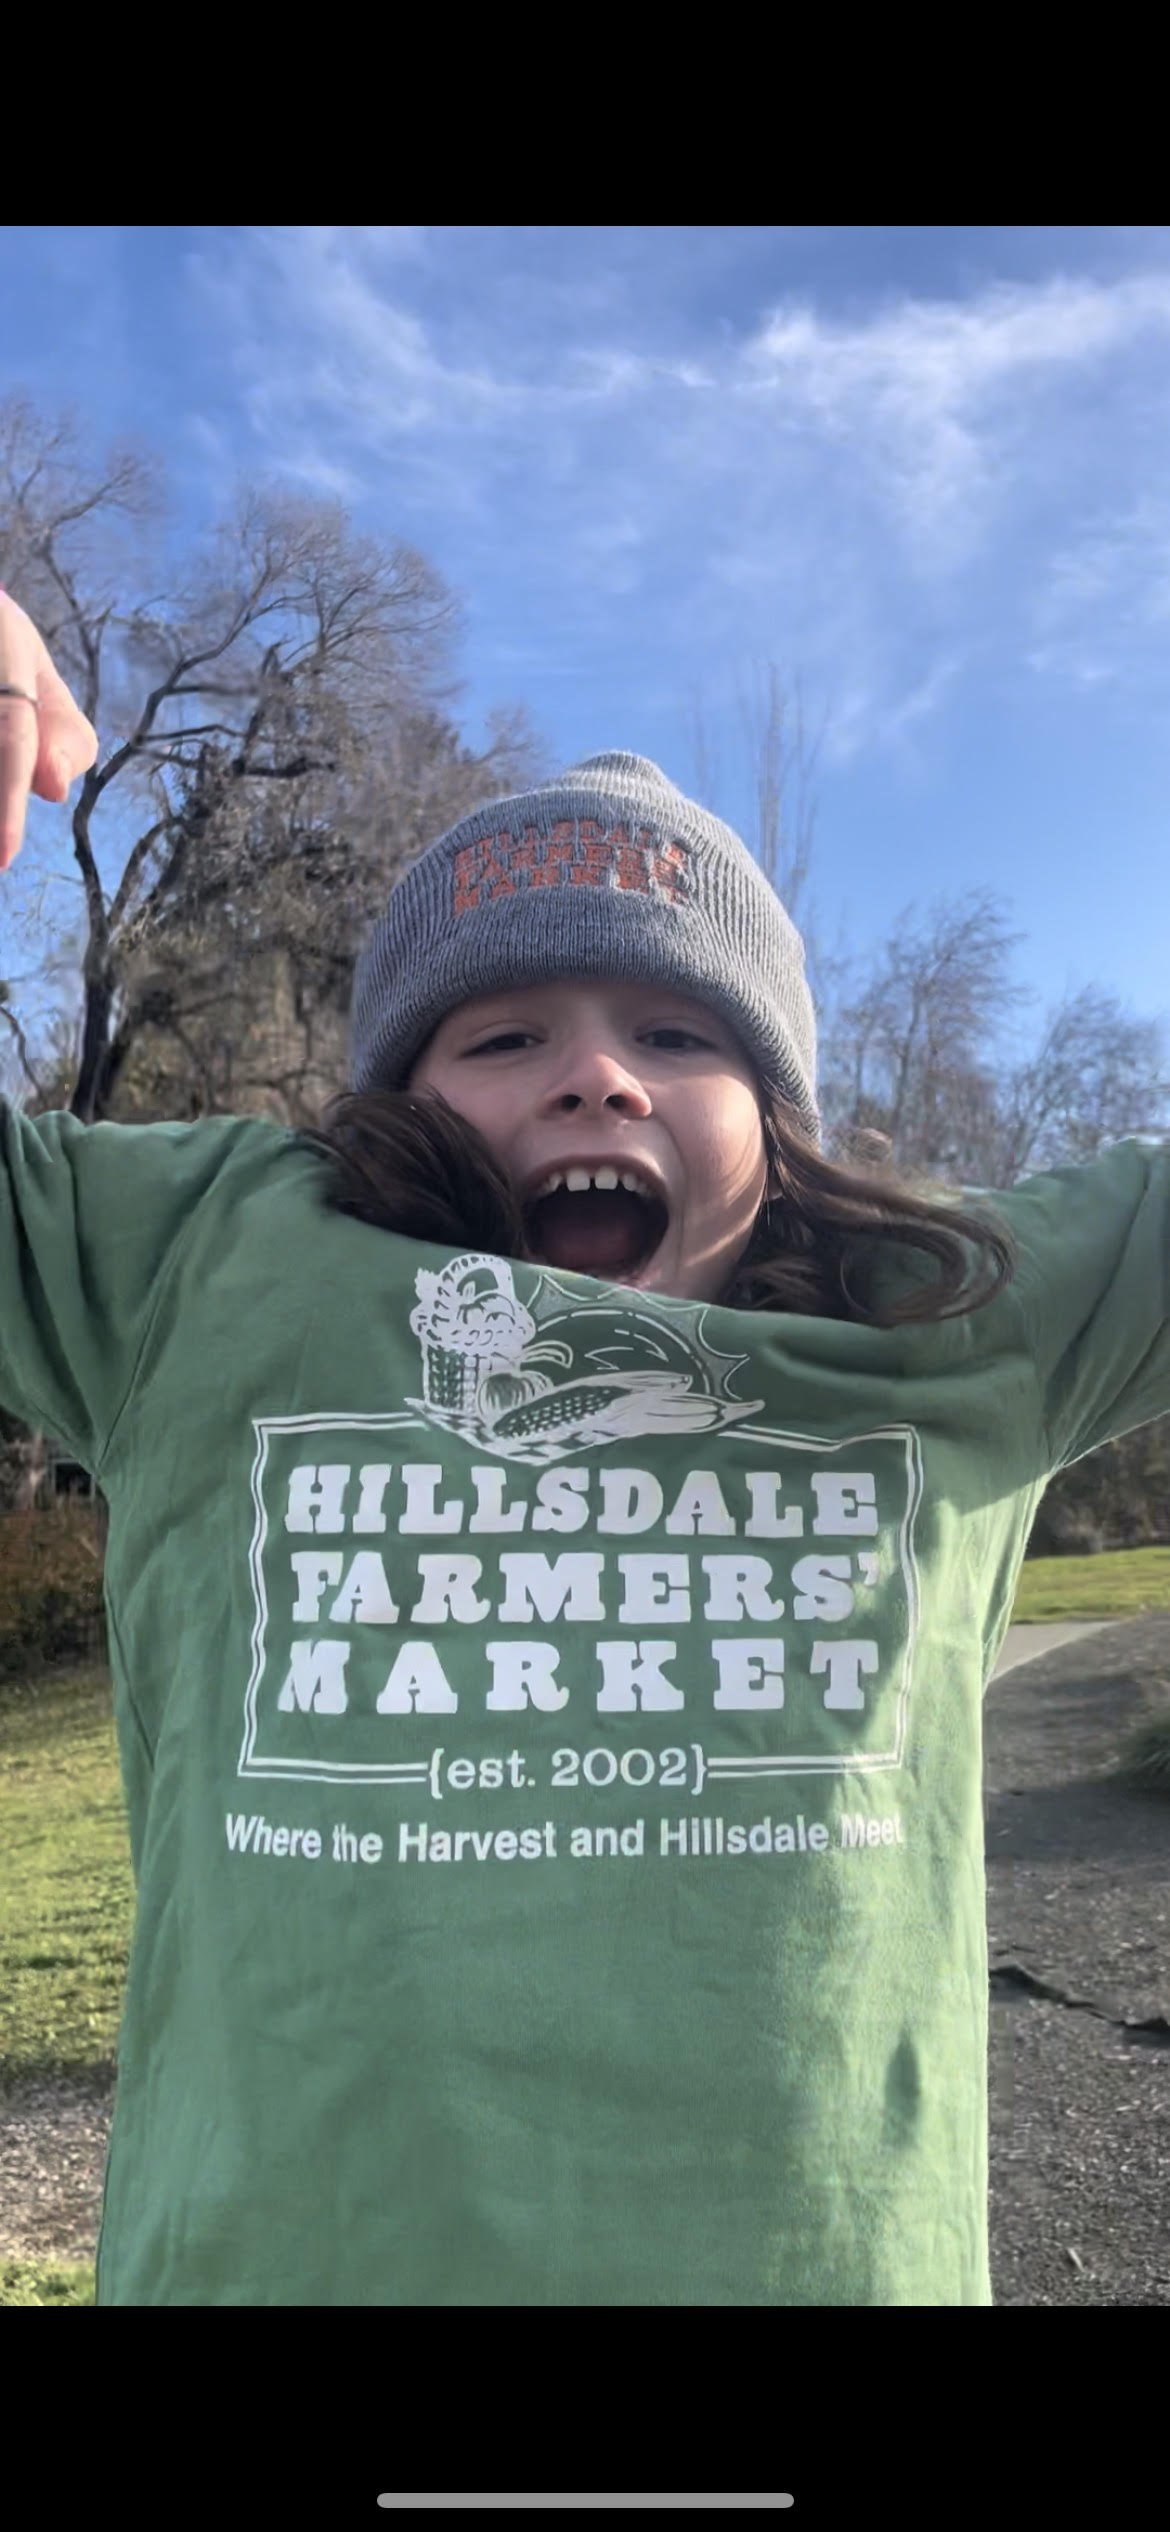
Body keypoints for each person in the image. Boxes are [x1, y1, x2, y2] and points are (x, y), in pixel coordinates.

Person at [0, 586, 1165, 2307]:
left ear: (773, 1120)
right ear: (399, 1101)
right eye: (503, 1035)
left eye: (680, 1034)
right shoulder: (200, 1256)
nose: (599, 1077)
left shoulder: (939, 1311)